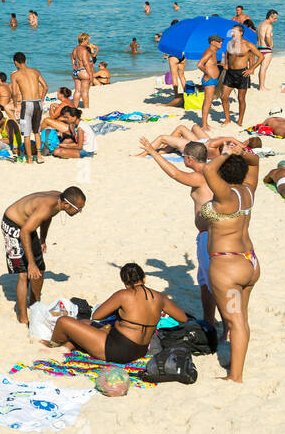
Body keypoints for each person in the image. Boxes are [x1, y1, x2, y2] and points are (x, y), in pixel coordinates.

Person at [138, 137, 219, 327]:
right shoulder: (213, 171)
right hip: (208, 235)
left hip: (209, 237)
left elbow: (175, 174)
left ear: (189, 159)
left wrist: (152, 151)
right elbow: (166, 271)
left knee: (213, 283)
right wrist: (187, 262)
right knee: (205, 283)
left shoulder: (200, 177)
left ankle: (222, 325)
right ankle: (209, 321)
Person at [201, 143, 260, 382]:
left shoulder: (225, 196)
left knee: (236, 322)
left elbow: (208, 171)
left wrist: (226, 154)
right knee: (240, 319)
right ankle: (235, 363)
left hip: (228, 266)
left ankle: (235, 376)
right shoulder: (248, 190)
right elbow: (255, 161)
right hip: (249, 262)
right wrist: (241, 152)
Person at [48, 263, 188, 362]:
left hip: (118, 350)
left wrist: (118, 310)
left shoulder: (124, 295)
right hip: (140, 350)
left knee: (64, 322)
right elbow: (182, 318)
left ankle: (53, 345)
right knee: (85, 323)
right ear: (144, 278)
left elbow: (97, 316)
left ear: (124, 282)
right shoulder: (160, 297)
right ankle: (67, 347)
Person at [0, 188, 86, 324]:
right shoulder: (46, 208)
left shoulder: (58, 201)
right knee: (24, 274)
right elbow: (24, 233)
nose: (80, 211)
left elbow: (47, 218)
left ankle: (35, 305)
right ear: (67, 205)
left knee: (40, 269)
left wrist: (42, 239)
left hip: (28, 225)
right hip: (13, 225)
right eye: (78, 208)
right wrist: (31, 263)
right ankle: (23, 318)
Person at [219, 25, 262, 127]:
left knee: (241, 98)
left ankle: (240, 120)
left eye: (234, 32)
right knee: (223, 97)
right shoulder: (230, 43)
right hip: (230, 73)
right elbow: (228, 54)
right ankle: (227, 119)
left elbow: (261, 57)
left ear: (241, 33)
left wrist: (251, 69)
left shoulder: (248, 45)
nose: (232, 34)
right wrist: (225, 64)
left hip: (242, 74)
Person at [196, 35, 223, 131]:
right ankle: (204, 125)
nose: (221, 43)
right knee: (207, 101)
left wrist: (219, 65)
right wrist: (207, 74)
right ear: (212, 42)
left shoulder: (213, 52)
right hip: (210, 80)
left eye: (221, 41)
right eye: (219, 41)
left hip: (213, 79)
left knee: (209, 101)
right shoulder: (210, 51)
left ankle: (205, 124)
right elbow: (199, 64)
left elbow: (210, 64)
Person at [70, 33, 94, 109]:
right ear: (84, 40)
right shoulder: (84, 50)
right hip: (83, 71)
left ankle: (75, 107)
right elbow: (86, 63)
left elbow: (73, 61)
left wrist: (75, 68)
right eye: (87, 40)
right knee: (85, 91)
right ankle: (86, 108)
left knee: (77, 91)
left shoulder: (75, 49)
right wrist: (91, 75)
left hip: (76, 72)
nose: (88, 42)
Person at [256, 9, 275, 90]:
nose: (275, 20)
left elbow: (257, 36)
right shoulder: (269, 25)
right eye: (274, 18)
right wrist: (270, 45)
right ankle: (262, 86)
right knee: (264, 68)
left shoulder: (260, 24)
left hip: (259, 48)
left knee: (261, 68)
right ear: (270, 17)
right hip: (266, 49)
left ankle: (261, 85)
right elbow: (267, 36)